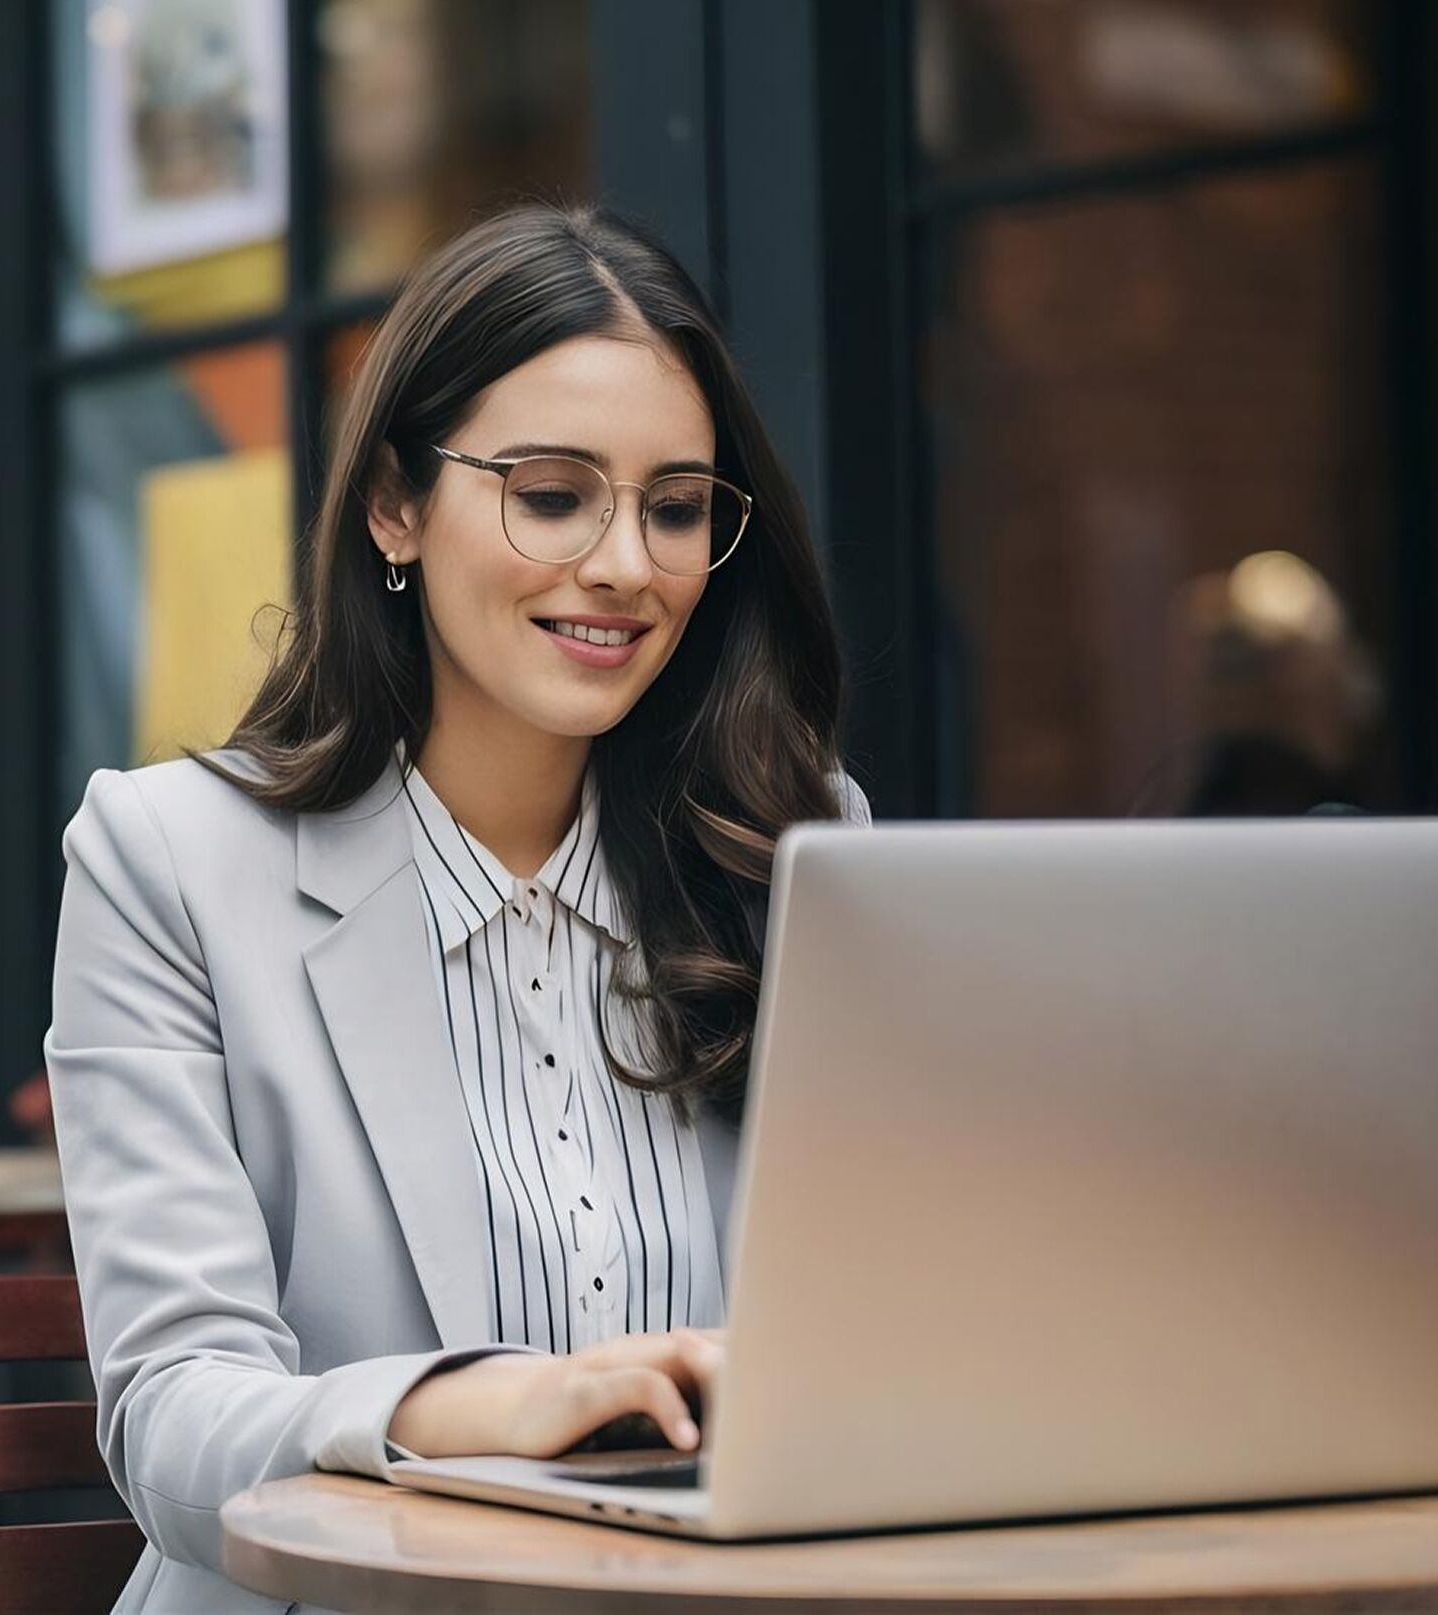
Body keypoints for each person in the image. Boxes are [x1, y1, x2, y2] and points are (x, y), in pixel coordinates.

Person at [45, 202, 871, 1613]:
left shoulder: (800, 855)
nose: (624, 563)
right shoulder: (165, 859)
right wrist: (465, 1406)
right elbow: (170, 1420)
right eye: (551, 493)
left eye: (675, 506)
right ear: (392, 504)